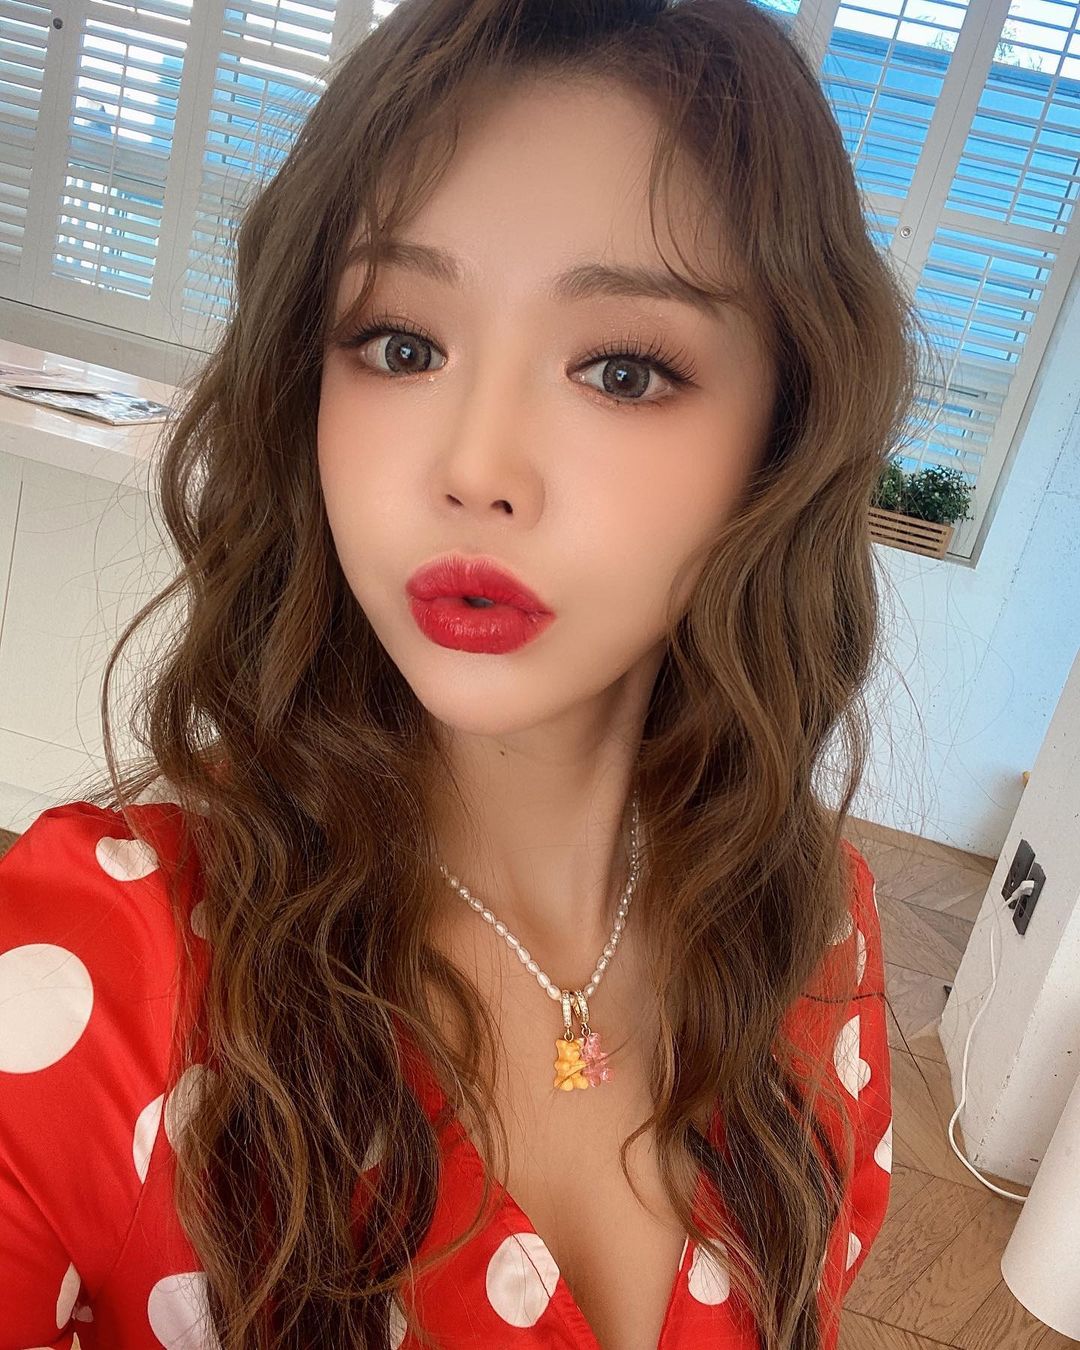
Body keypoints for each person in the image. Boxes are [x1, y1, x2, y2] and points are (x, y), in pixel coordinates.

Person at [0, 0, 915, 1346]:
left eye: (621, 369)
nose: (476, 467)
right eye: (402, 345)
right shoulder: (103, 970)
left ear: (780, 444)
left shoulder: (815, 928)